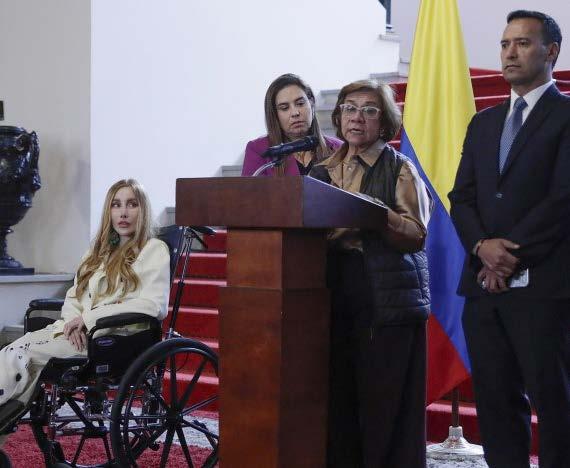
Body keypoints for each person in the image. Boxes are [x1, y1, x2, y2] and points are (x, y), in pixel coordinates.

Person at [448, 10, 570, 468]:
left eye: (522, 43)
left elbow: (563, 199)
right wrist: (482, 248)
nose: (510, 53)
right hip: (484, 290)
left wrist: (508, 256)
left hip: (545, 287)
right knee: (496, 405)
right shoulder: (483, 123)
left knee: (555, 404)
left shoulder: (565, 116)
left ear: (551, 51)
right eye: (504, 44)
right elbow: (461, 198)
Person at [309, 80, 433, 467]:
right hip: (330, 288)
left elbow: (416, 234)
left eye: (369, 110)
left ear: (385, 123)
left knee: (382, 400)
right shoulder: (321, 170)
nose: (357, 117)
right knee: (338, 394)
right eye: (349, 108)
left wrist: (378, 216)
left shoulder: (400, 168)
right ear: (338, 116)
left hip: (381, 291)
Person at [0, 179, 170, 443]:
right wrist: (73, 323)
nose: (123, 213)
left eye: (132, 204)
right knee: (14, 353)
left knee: (21, 355)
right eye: (116, 205)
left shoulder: (153, 250)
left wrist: (88, 319)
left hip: (113, 338)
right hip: (76, 335)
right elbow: (74, 295)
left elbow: (153, 305)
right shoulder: (98, 252)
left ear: (143, 210)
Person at [241, 73, 342, 176]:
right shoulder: (259, 150)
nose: (295, 113)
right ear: (275, 114)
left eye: (300, 104)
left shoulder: (339, 149)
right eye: (284, 108)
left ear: (311, 103)